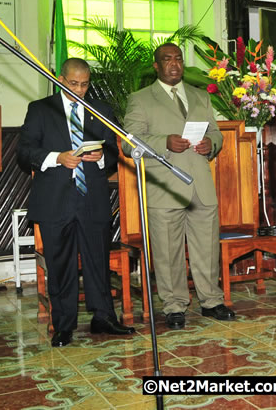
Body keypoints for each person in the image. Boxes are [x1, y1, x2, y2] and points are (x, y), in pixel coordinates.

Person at [18, 58, 135, 347]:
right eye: (73, 84)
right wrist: (58, 157)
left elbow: (112, 150)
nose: (79, 90)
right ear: (60, 79)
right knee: (61, 265)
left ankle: (103, 318)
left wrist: (101, 158)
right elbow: (25, 152)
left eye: (84, 84)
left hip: (92, 198)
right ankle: (64, 325)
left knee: (98, 260)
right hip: (55, 200)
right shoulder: (41, 109)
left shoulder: (101, 110)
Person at [123, 43, 233, 329]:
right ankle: (174, 306)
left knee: (207, 248)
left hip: (201, 185)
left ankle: (211, 301)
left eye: (178, 59)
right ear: (157, 66)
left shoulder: (200, 97)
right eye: (167, 59)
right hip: (165, 186)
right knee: (167, 251)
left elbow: (215, 133)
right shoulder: (141, 99)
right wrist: (163, 142)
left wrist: (212, 144)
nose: (174, 64)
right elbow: (128, 142)